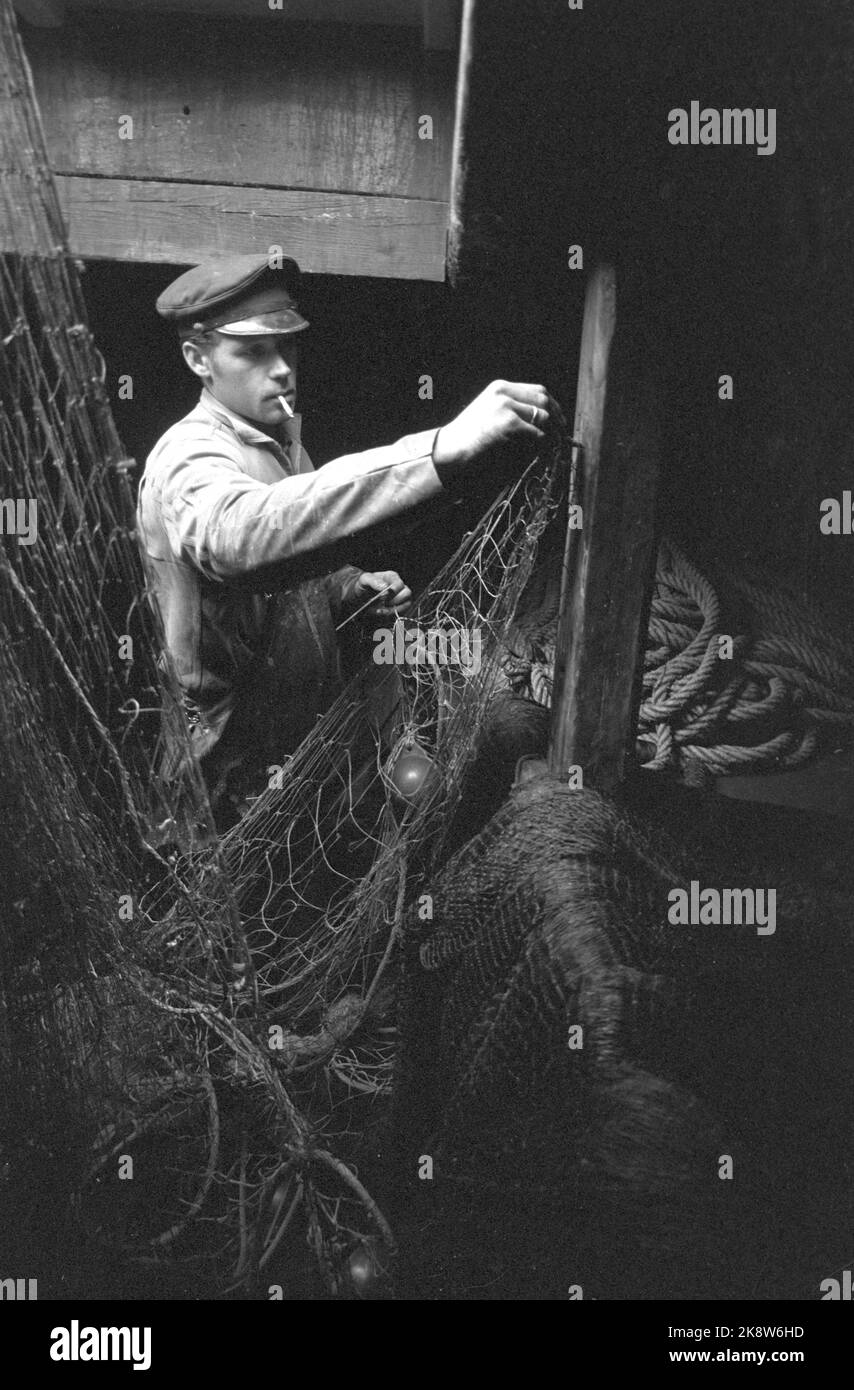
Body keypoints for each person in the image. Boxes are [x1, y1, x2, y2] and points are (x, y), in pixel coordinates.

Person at [137, 253, 564, 829]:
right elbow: (242, 542)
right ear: (198, 359)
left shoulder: (278, 438)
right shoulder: (189, 456)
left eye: (288, 346)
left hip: (301, 747)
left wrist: (348, 587)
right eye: (253, 351)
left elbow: (295, 548)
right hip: (226, 775)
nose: (282, 368)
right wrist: (441, 450)